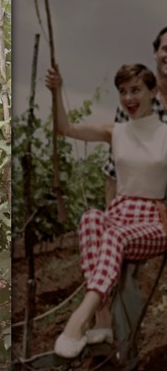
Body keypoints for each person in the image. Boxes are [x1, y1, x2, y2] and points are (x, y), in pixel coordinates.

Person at [46, 63, 167, 358]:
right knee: (90, 219)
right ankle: (103, 317)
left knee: (113, 236)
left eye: (136, 89)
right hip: (120, 210)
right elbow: (65, 128)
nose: (128, 98)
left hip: (153, 219)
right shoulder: (116, 131)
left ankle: (81, 319)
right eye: (123, 91)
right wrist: (58, 90)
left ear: (154, 92)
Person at [103, 27, 167, 205]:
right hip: (139, 211)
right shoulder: (133, 103)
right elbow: (114, 168)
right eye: (166, 49)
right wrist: (110, 216)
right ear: (155, 53)